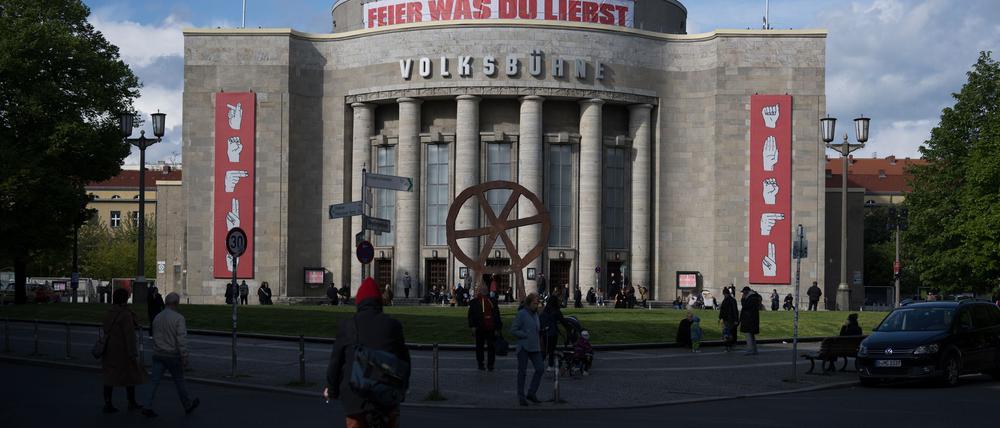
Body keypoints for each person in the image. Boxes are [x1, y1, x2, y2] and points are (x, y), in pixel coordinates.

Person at [325, 277, 410, 428]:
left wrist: (331, 390)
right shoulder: (393, 325)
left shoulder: (348, 325)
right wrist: (402, 389)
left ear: (359, 302)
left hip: (355, 396)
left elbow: (335, 363)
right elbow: (404, 361)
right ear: (379, 302)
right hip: (386, 394)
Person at [142, 292, 199, 417]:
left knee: (154, 381)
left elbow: (154, 335)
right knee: (179, 381)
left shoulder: (157, 317)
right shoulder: (178, 318)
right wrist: (184, 356)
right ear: (176, 303)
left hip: (158, 353)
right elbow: (181, 339)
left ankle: (147, 405)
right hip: (172, 355)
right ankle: (187, 405)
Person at [101, 288, 147, 413]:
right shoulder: (125, 314)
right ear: (125, 299)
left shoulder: (109, 311)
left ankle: (108, 402)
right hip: (123, 350)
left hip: (110, 349)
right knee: (130, 376)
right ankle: (131, 402)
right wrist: (132, 352)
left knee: (109, 376)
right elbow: (130, 335)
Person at [510, 293, 544, 406]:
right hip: (524, 346)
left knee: (540, 368)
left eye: (538, 303)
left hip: (535, 346)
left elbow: (537, 329)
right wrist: (525, 334)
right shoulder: (521, 314)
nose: (537, 305)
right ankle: (521, 396)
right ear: (529, 303)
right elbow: (513, 329)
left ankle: (531, 392)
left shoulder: (536, 315)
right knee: (522, 372)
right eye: (535, 303)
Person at [468, 284, 502, 371]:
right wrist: (472, 326)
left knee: (491, 347)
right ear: (479, 290)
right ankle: (480, 364)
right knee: (479, 347)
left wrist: (498, 327)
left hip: (491, 328)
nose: (484, 290)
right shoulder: (474, 302)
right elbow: (471, 315)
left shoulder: (492, 301)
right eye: (482, 289)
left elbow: (497, 315)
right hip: (480, 327)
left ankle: (490, 365)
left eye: (485, 289)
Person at [540, 295, 565, 370]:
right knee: (551, 349)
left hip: (545, 332)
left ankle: (541, 362)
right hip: (553, 333)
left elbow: (541, 320)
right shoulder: (556, 311)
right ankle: (550, 365)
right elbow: (562, 320)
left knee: (546, 349)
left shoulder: (545, 310)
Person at [739, 286, 762, 355]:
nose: (743, 294)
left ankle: (750, 350)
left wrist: (743, 299)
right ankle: (754, 350)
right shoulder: (755, 297)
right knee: (752, 336)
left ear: (746, 292)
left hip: (748, 319)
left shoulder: (750, 298)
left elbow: (745, 306)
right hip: (753, 319)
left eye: (743, 292)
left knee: (748, 335)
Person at [718, 287, 740, 352]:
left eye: (724, 294)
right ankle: (730, 345)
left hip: (728, 319)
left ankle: (728, 346)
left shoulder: (725, 300)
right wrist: (736, 319)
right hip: (731, 319)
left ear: (725, 293)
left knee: (727, 333)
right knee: (730, 333)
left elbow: (722, 310)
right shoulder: (733, 300)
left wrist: (720, 318)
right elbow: (735, 310)